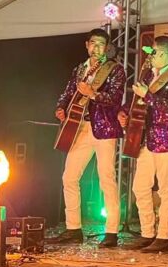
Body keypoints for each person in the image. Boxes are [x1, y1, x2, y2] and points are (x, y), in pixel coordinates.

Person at [52, 28, 125, 248]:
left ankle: (111, 231)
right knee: (69, 177)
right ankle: (73, 228)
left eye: (101, 44)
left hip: (104, 127)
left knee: (106, 178)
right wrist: (61, 108)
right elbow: (67, 93)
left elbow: (114, 98)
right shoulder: (80, 69)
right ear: (87, 45)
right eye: (93, 43)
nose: (96, 48)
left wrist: (91, 93)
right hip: (79, 127)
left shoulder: (115, 69)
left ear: (107, 47)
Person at [119, 36, 168, 253]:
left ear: (165, 54)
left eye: (154, 52)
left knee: (166, 189)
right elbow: (138, 101)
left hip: (167, 139)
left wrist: (147, 95)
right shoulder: (149, 75)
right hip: (147, 138)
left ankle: (164, 237)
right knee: (140, 187)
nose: (150, 56)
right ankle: (147, 233)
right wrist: (124, 112)